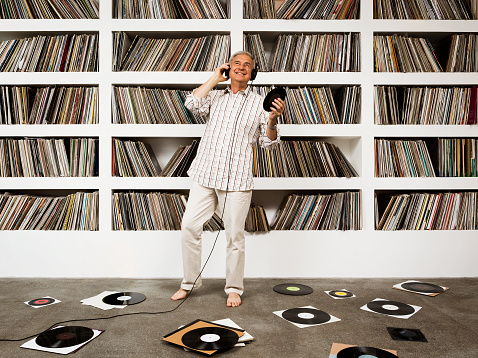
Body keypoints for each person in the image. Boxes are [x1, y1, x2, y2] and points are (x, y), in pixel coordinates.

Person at [170, 51, 285, 307]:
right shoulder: (214, 96)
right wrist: (214, 78)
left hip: (237, 181)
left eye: (247, 65)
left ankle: (233, 288)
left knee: (234, 236)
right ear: (228, 68)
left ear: (252, 73)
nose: (241, 67)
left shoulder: (259, 103)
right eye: (236, 64)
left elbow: (268, 143)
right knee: (189, 226)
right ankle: (188, 283)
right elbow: (191, 104)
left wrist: (273, 120)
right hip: (205, 175)